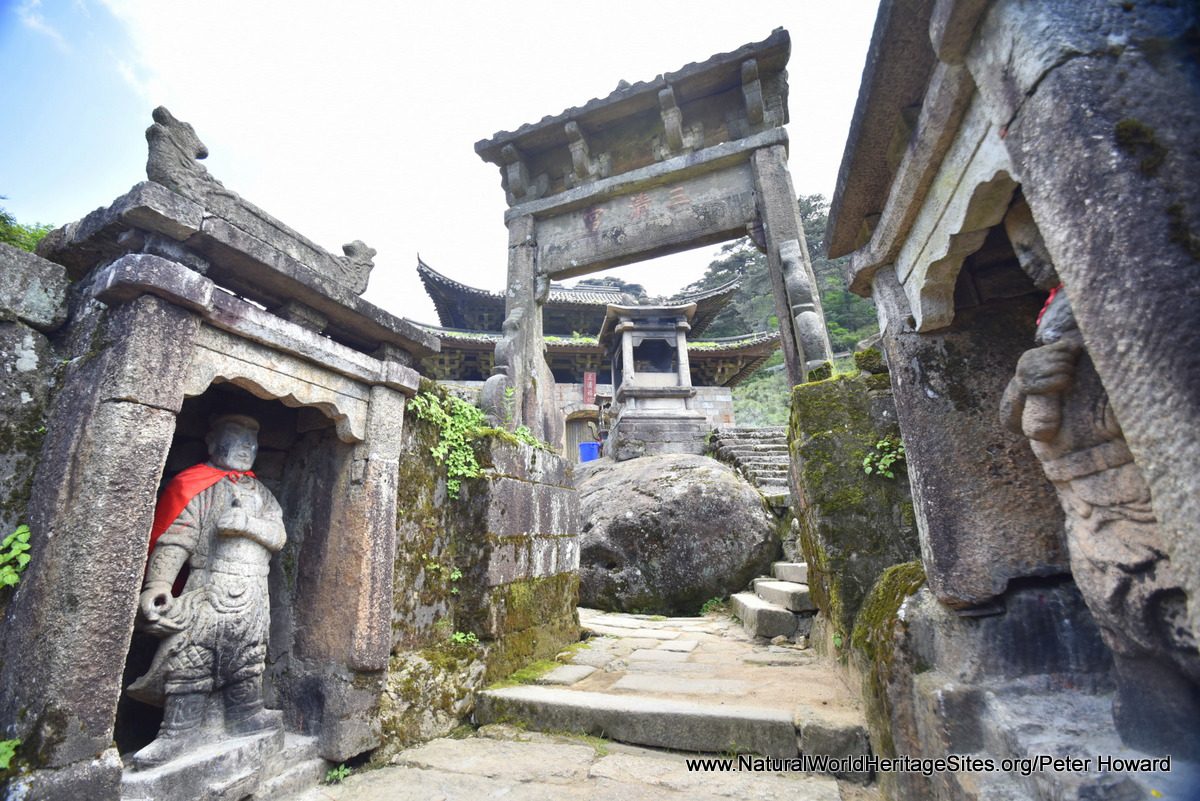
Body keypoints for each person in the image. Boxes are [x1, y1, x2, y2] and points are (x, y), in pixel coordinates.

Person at [128, 414, 286, 768]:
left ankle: (246, 714)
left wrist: (246, 524)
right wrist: (159, 584)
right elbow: (175, 539)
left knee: (248, 657)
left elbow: (278, 536)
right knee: (192, 658)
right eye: (237, 439)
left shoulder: (263, 495)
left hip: (253, 591)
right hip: (209, 587)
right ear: (213, 443)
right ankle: (177, 732)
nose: (246, 449)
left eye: (252, 443)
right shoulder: (197, 488)